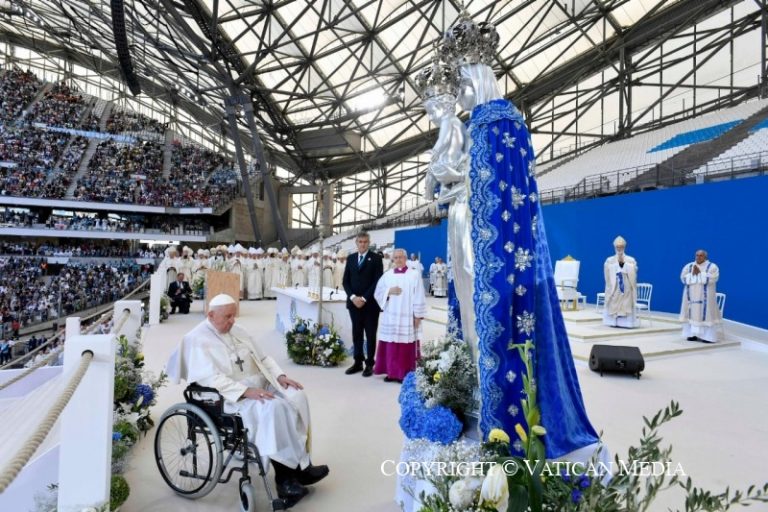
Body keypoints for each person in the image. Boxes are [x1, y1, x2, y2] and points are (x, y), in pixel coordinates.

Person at [441, 12, 598, 458]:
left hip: (500, 245)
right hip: (477, 238)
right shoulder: (480, 124)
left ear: (479, 77)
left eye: (464, 85)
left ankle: (505, 422)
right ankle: (474, 396)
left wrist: (462, 186)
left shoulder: (499, 121)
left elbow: (503, 187)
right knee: (473, 319)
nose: (461, 97)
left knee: (500, 327)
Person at [166, 294, 329, 506]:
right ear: (211, 315)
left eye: (233, 315)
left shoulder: (238, 330)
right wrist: (245, 391)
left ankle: (302, 465)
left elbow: (263, 358)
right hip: (227, 397)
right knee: (274, 407)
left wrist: (280, 377)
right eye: (227, 317)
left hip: (259, 383)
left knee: (296, 396)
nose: (232, 321)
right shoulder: (196, 339)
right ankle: (285, 479)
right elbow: (209, 379)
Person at [373, 249, 427, 382]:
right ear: (393, 259)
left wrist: (417, 315)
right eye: (396, 257)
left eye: (401, 257)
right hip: (391, 315)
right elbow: (378, 292)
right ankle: (391, 372)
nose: (398, 260)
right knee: (390, 343)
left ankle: (404, 373)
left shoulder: (414, 275)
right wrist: (388, 291)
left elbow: (419, 294)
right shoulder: (387, 275)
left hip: (407, 316)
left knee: (405, 346)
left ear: (405, 258)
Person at [342, 231, 384, 377]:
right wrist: (353, 297)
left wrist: (364, 298)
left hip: (370, 304)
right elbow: (345, 281)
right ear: (356, 243)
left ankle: (370, 364)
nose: (363, 244)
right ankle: (357, 362)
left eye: (365, 242)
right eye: (360, 242)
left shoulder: (376, 258)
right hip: (354, 304)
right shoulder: (351, 258)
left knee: (370, 334)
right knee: (357, 333)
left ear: (369, 243)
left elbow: (377, 281)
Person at [680, 249, 721, 343]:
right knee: (691, 314)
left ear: (705, 257)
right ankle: (692, 335)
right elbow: (683, 278)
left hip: (705, 297)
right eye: (697, 255)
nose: (698, 257)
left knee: (706, 315)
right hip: (691, 296)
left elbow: (714, 278)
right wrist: (692, 274)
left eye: (701, 255)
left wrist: (700, 274)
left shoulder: (712, 267)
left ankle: (707, 337)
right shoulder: (689, 266)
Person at [603, 236, 639, 328]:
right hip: (615, 286)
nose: (619, 249)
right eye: (617, 247)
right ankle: (613, 322)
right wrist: (616, 265)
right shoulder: (610, 260)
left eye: (621, 247)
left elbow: (634, 269)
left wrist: (624, 264)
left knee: (626, 303)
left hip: (626, 286)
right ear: (615, 247)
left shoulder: (630, 259)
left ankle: (626, 323)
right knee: (614, 302)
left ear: (624, 247)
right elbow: (607, 270)